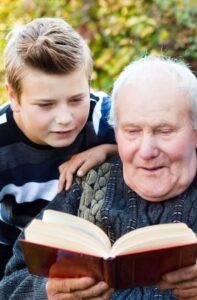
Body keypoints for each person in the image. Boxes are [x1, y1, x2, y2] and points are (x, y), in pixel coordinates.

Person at [1, 56, 197, 299]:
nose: (146, 151)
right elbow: (11, 283)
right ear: (115, 131)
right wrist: (48, 293)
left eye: (164, 131)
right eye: (131, 131)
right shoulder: (84, 185)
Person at [0, 17, 117, 279]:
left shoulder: (101, 114)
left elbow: (195, 128)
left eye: (76, 99)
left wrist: (108, 150)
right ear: (14, 97)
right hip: (14, 265)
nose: (65, 118)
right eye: (46, 105)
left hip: (88, 256)